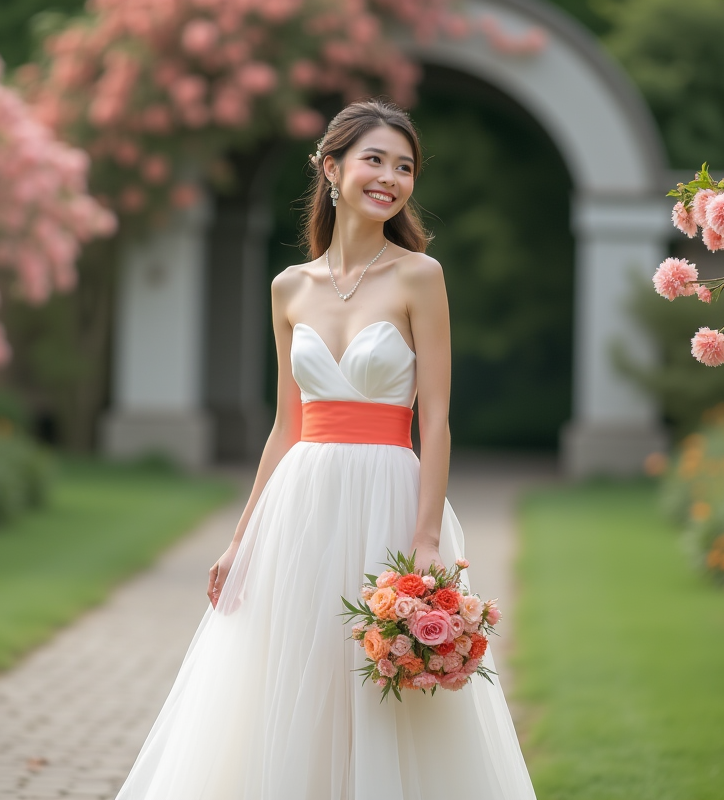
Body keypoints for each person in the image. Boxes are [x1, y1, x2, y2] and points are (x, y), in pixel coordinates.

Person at [112, 98, 538, 799]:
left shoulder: (419, 277)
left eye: (405, 167)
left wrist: (426, 538)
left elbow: (436, 421)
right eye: (375, 159)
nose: (390, 177)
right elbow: (286, 424)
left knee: (377, 685)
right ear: (331, 167)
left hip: (389, 497)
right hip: (300, 503)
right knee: (293, 671)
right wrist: (238, 541)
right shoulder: (289, 288)